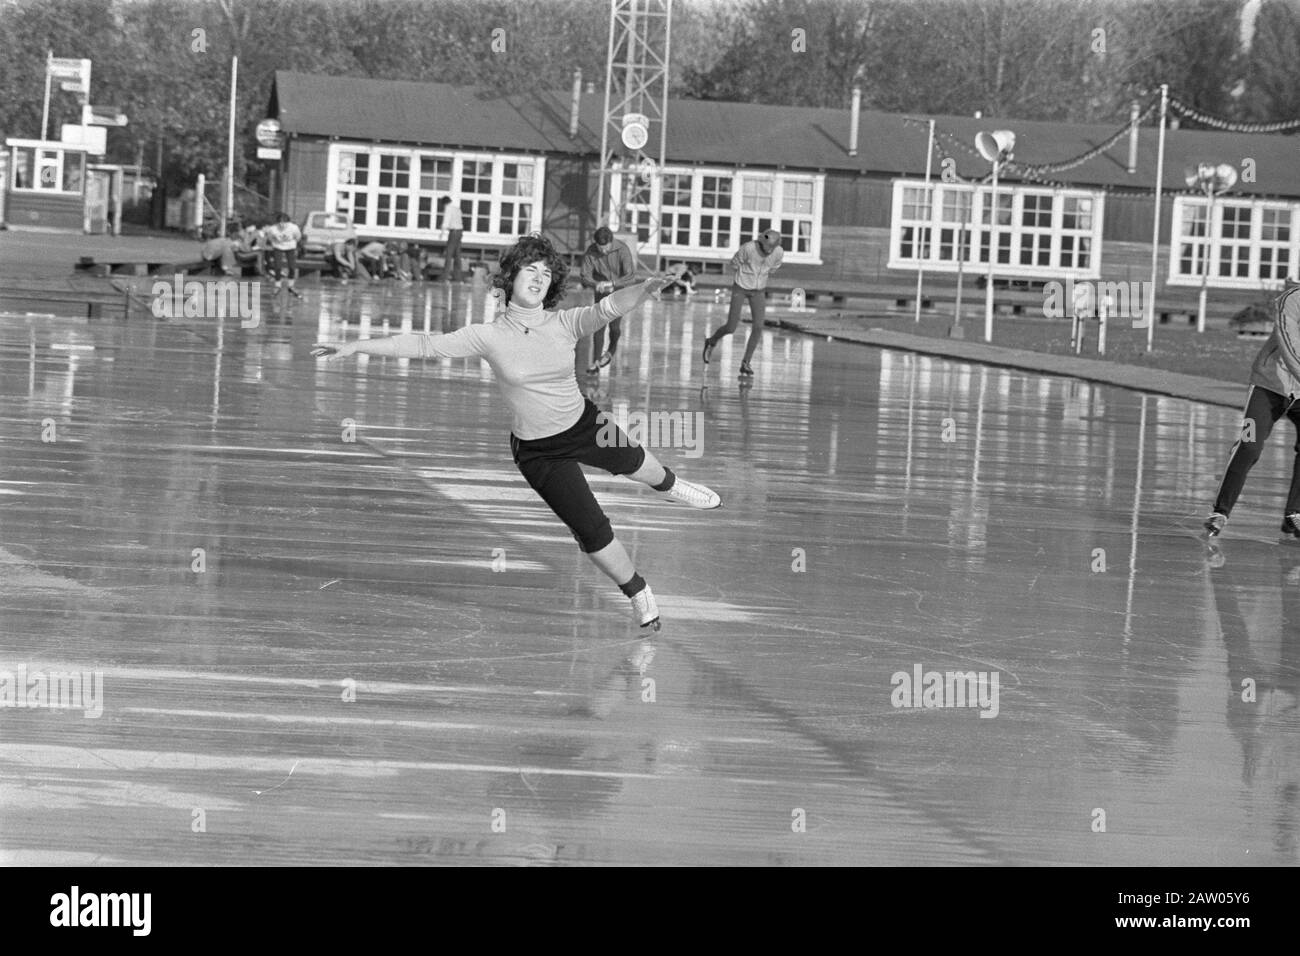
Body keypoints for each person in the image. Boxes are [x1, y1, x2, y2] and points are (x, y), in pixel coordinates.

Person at [311, 233, 722, 630]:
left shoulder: (564, 322)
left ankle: (671, 485)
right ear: (510, 278)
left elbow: (611, 306)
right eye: (531, 268)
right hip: (537, 452)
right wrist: (356, 346)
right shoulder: (487, 335)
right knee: (592, 529)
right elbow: (422, 344)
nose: (540, 276)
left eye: (547, 271)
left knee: (638, 465)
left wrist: (646, 287)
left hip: (583, 425)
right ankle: (638, 592)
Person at [1205, 284, 1300, 538]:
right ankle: (1220, 511)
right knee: (1250, 445)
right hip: (1269, 385)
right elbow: (1290, 347)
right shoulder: (1290, 300)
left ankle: (1295, 515)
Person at [701, 229, 784, 377]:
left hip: (758, 290)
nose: (768, 252)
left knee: (758, 326)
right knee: (731, 326)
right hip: (741, 286)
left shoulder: (778, 252)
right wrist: (747, 272)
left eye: (771, 250)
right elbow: (734, 264)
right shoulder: (748, 248)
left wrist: (761, 273)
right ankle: (711, 341)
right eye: (766, 249)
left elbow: (774, 268)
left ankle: (746, 363)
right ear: (761, 242)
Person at [579, 226, 638, 373]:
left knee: (614, 327)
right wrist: (595, 284)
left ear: (611, 242)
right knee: (599, 326)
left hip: (619, 291)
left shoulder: (622, 249)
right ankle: (596, 362)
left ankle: (611, 351)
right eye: (600, 248)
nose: (603, 252)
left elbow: (630, 276)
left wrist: (613, 284)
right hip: (601, 291)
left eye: (606, 248)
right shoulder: (591, 251)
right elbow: (584, 275)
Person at [263, 212, 303, 298]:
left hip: (290, 247)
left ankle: (291, 285)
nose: (282, 224)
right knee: (277, 266)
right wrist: (275, 243)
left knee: (292, 266)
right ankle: (278, 285)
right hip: (278, 246)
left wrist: (294, 244)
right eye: (280, 222)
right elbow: (270, 238)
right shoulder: (272, 229)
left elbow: (298, 237)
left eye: (284, 222)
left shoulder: (293, 228)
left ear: (288, 222)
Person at [438, 196, 464, 281]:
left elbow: (446, 221)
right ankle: (457, 277)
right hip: (460, 232)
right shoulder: (457, 209)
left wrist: (442, 233)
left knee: (449, 254)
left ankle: (445, 276)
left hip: (453, 232)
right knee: (457, 254)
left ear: (444, 203)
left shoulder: (448, 209)